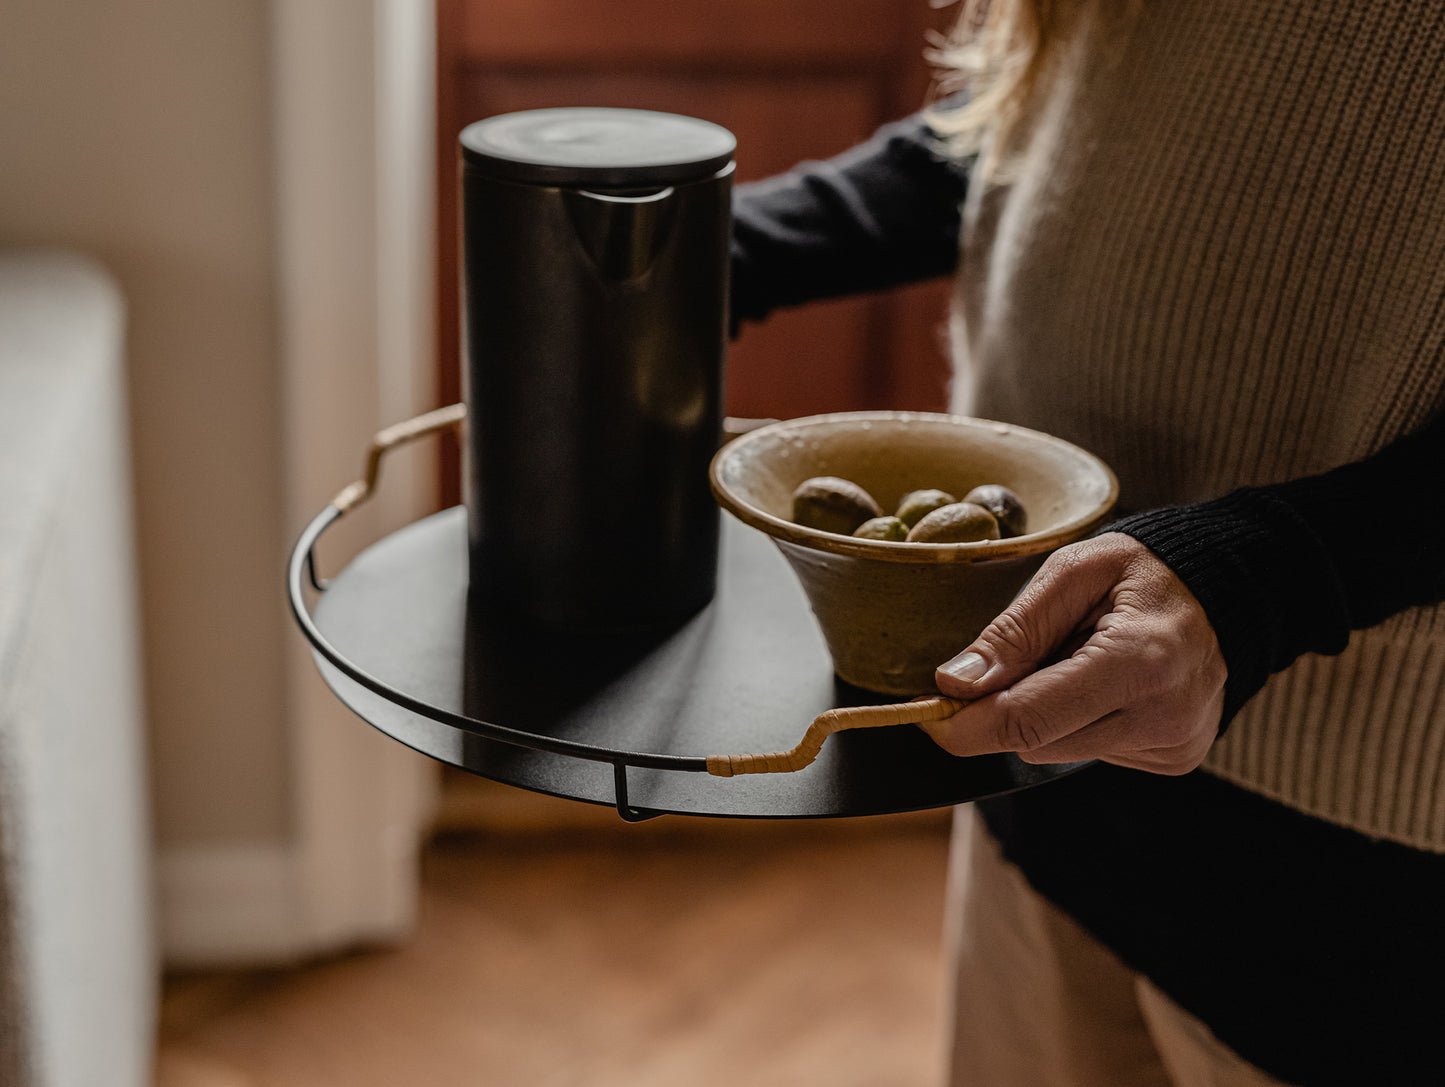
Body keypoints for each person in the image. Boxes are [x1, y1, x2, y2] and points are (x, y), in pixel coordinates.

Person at [730, 2, 1445, 1084]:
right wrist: (760, 240)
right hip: (1039, 760)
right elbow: (1074, 112)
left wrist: (1275, 573)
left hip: (1365, 864)